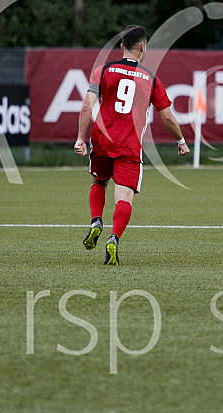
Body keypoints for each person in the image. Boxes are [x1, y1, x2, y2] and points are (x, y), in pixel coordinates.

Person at [74, 25, 190, 265]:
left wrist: (80, 138)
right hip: (129, 145)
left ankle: (96, 220)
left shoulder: (102, 71)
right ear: (143, 47)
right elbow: (167, 117)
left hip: (102, 141)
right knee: (124, 196)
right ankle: (114, 237)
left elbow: (87, 106)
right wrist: (180, 140)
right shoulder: (151, 79)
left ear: (121, 47)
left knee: (99, 181)